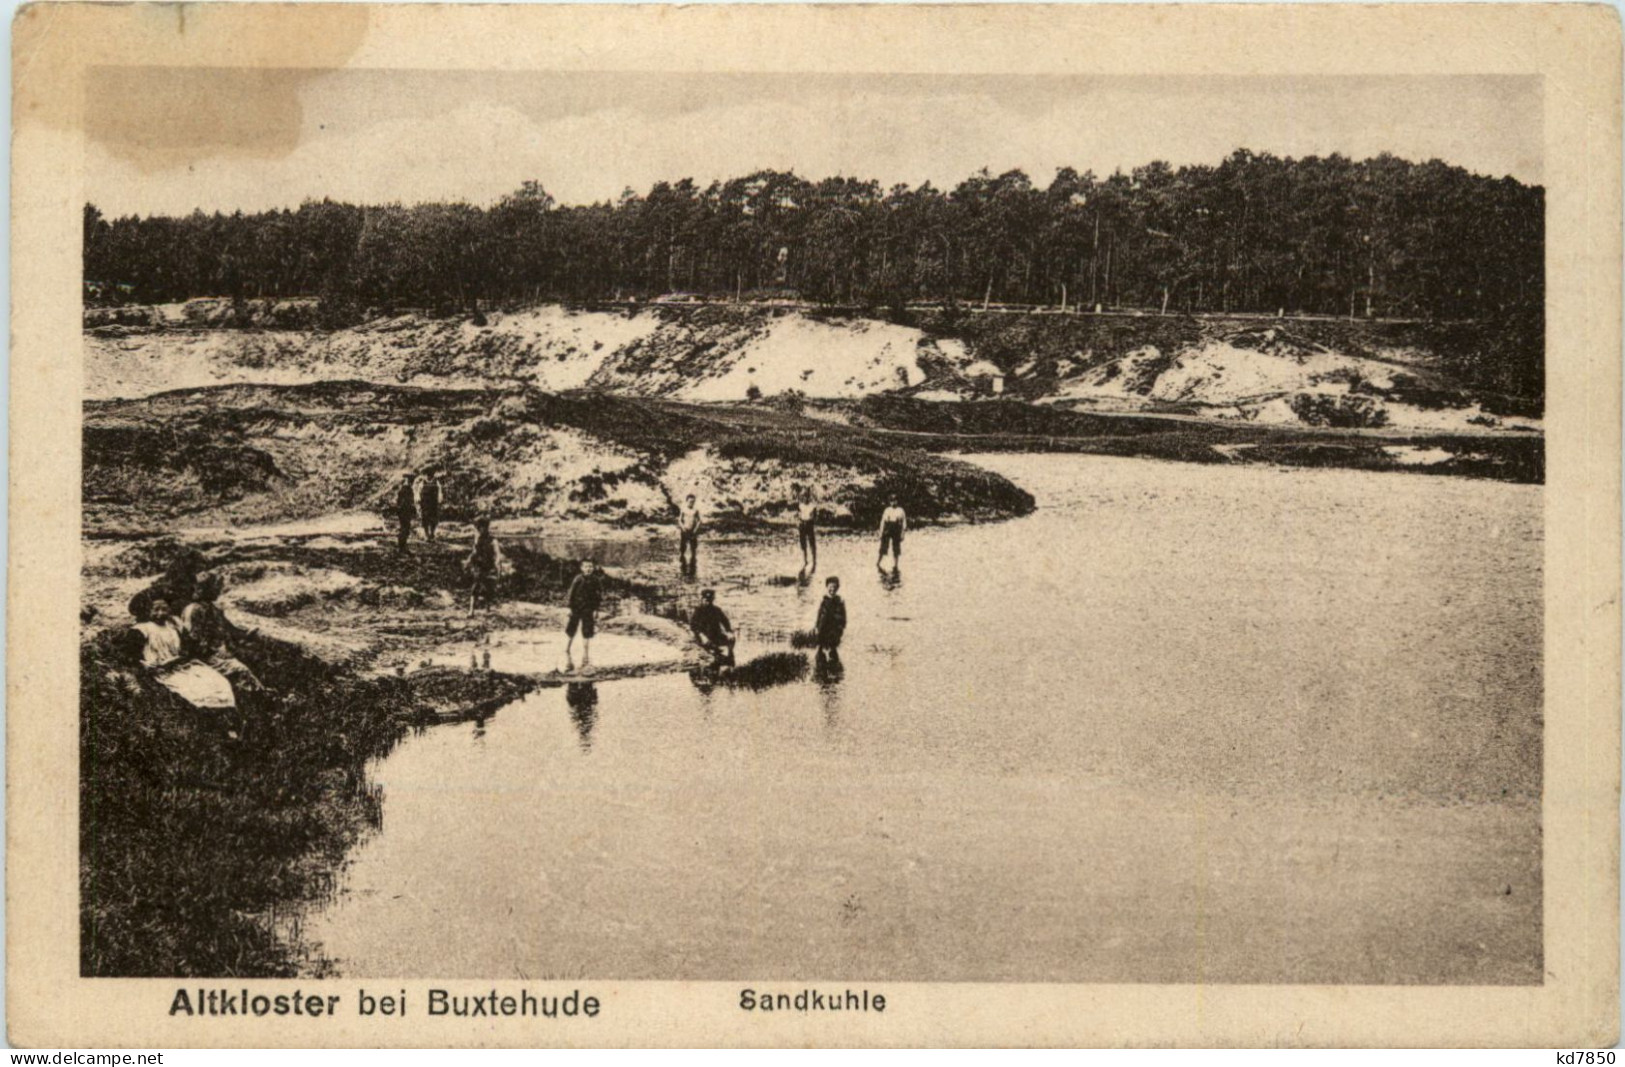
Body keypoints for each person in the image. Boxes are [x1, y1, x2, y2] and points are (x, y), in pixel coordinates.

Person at [130, 597, 239, 730]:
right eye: (156, 609)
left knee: (218, 682)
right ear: (148, 611)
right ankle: (208, 723)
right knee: (195, 690)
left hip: (181, 665)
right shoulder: (141, 630)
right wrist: (143, 663)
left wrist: (178, 658)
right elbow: (129, 654)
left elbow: (188, 650)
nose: (160, 613)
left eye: (164, 609)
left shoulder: (173, 628)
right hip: (162, 670)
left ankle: (226, 721)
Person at [180, 572, 269, 704]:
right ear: (206, 589)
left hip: (218, 651)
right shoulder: (194, 610)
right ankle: (262, 699)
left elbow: (229, 628)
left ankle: (260, 693)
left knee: (255, 657)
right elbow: (194, 641)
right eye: (216, 587)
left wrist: (247, 634)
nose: (219, 591)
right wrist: (218, 651)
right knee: (240, 669)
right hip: (203, 656)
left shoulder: (214, 609)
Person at [564, 560, 603, 671]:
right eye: (586, 566)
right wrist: (569, 608)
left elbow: (598, 596)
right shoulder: (578, 579)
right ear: (582, 568)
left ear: (593, 568)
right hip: (576, 608)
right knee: (572, 629)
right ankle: (566, 650)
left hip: (588, 609)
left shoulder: (596, 580)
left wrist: (596, 609)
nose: (588, 569)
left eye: (590, 566)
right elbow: (570, 594)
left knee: (587, 630)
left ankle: (585, 655)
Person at [464, 515, 503, 617]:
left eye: (479, 527)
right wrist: (469, 561)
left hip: (488, 566)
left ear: (485, 527)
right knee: (475, 586)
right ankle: (471, 611)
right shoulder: (478, 538)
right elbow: (474, 551)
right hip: (479, 565)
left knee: (488, 587)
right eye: (477, 528)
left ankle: (488, 608)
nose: (478, 530)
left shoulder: (492, 540)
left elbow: (497, 553)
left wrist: (497, 565)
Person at [690, 588, 736, 669]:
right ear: (702, 599)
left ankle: (730, 661)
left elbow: (725, 621)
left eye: (710, 600)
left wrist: (729, 632)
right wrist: (701, 635)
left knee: (731, 639)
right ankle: (713, 654)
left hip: (716, 635)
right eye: (706, 600)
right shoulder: (698, 611)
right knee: (710, 653)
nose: (708, 602)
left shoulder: (716, 610)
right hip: (704, 636)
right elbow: (693, 626)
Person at [815, 576, 846, 660]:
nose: (832, 589)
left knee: (833, 649)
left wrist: (841, 627)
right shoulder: (824, 601)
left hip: (834, 629)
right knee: (820, 649)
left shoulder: (839, 601)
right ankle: (820, 664)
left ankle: (834, 666)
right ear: (827, 587)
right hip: (823, 628)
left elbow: (843, 616)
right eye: (830, 587)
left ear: (838, 588)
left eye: (835, 587)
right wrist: (817, 626)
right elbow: (819, 614)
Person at [877, 499, 907, 570]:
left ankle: (896, 565)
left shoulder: (901, 510)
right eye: (892, 501)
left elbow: (904, 523)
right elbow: (882, 522)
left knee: (896, 547)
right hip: (887, 529)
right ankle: (878, 562)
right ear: (890, 502)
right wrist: (881, 532)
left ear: (897, 501)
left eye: (895, 501)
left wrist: (903, 534)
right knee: (883, 546)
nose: (893, 502)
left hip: (896, 529)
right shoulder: (887, 510)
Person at [677, 493, 702, 572]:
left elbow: (699, 521)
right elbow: (679, 520)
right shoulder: (683, 509)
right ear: (687, 501)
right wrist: (682, 527)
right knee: (683, 547)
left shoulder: (696, 510)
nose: (691, 503)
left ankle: (693, 565)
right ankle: (682, 565)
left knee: (693, 548)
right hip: (685, 530)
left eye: (693, 502)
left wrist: (696, 529)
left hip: (693, 531)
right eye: (690, 501)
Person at [796, 491, 819, 573]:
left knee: (812, 543)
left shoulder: (812, 506)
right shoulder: (800, 505)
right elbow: (798, 514)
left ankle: (814, 560)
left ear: (809, 498)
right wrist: (800, 521)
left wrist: (812, 519)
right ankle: (805, 560)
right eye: (804, 497)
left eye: (807, 497)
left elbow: (815, 516)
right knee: (803, 543)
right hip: (802, 524)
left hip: (809, 524)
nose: (805, 498)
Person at [394, 473, 417, 553]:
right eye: (412, 481)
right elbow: (407, 502)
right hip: (405, 512)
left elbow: (399, 502)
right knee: (405, 528)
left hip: (403, 511)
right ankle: (402, 547)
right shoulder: (407, 490)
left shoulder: (403, 489)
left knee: (404, 528)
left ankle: (402, 546)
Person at [419, 469, 442, 542]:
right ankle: (426, 535)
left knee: (433, 520)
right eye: (428, 474)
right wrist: (419, 501)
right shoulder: (422, 483)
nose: (429, 476)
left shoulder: (436, 482)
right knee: (425, 519)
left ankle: (432, 534)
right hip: (425, 504)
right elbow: (418, 493)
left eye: (431, 474)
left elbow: (440, 493)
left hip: (433, 504)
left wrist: (439, 501)